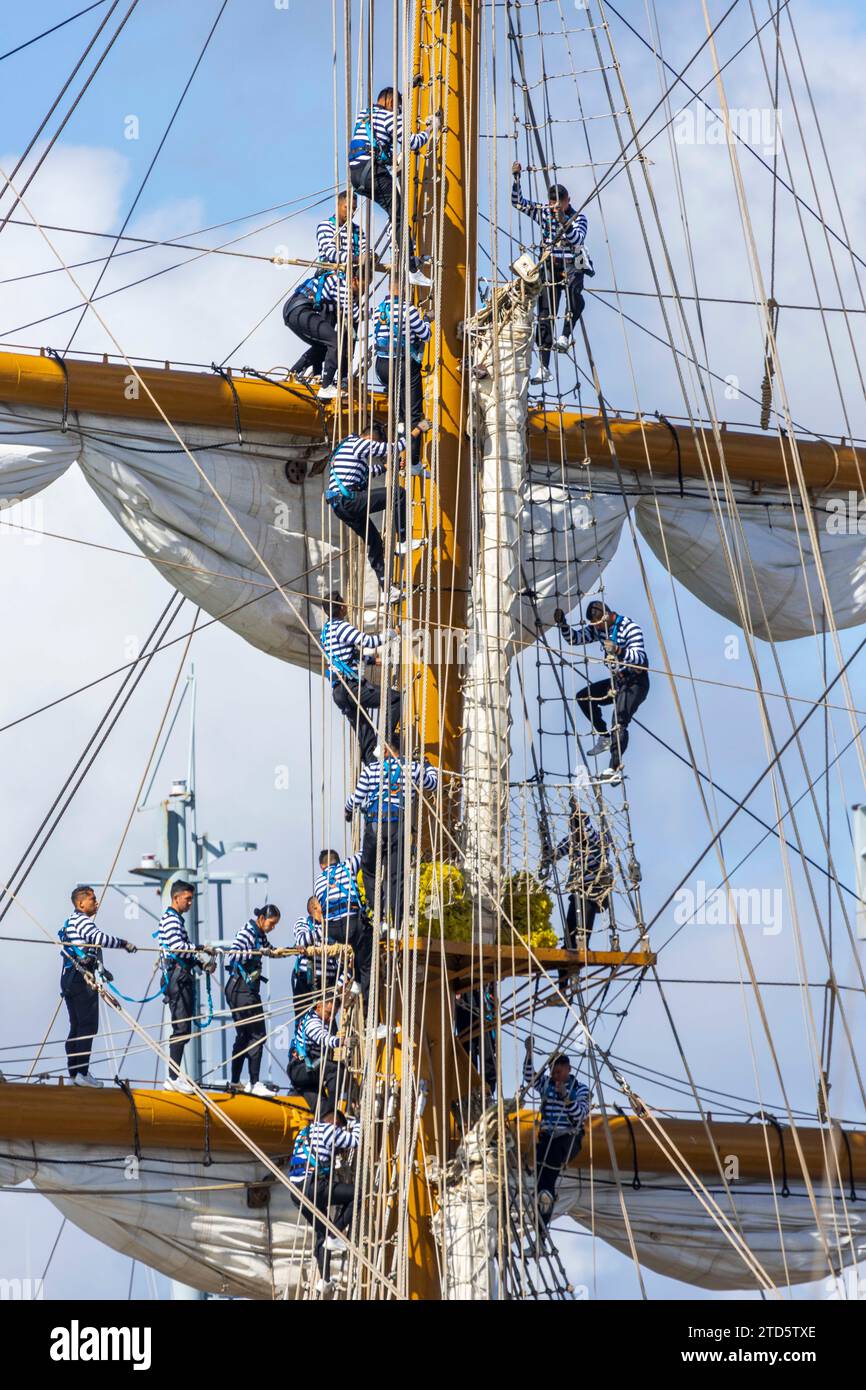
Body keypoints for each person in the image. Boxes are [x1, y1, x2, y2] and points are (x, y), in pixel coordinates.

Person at [325, 421, 429, 598]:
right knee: (398, 494)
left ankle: (387, 590)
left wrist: (387, 467)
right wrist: (418, 430)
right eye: (377, 442)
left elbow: (366, 473)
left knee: (374, 542)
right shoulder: (359, 443)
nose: (376, 447)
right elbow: (393, 448)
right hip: (350, 500)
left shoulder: (345, 448)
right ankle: (403, 540)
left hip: (341, 506)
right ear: (372, 438)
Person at [511, 161, 594, 385]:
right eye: (553, 202)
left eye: (561, 202)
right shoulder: (544, 212)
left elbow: (577, 239)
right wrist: (517, 179)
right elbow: (518, 204)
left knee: (575, 297)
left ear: (568, 201)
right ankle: (544, 367)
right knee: (545, 314)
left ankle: (566, 335)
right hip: (549, 265)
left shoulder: (578, 218)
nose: (556, 206)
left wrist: (562, 221)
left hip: (571, 265)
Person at [553, 599, 649, 785]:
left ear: (608, 616)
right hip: (618, 681)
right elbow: (575, 639)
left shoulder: (630, 627)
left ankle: (614, 769)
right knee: (583, 697)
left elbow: (639, 657)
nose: (597, 630)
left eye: (598, 625)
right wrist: (563, 624)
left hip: (636, 681)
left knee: (619, 721)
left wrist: (619, 650)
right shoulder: (598, 629)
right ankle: (604, 737)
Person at [346, 742, 439, 930]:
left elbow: (356, 798)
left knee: (369, 869)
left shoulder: (371, 769)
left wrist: (348, 811)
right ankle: (397, 924)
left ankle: (378, 916)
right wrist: (428, 766)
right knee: (397, 875)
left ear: (388, 750)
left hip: (375, 825)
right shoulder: (413, 768)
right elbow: (433, 783)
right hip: (399, 827)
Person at [348, 85, 435, 286]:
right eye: (397, 106)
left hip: (357, 174)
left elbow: (375, 143)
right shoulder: (389, 117)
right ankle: (411, 268)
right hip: (372, 171)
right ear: (389, 103)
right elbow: (412, 142)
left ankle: (394, 236)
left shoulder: (364, 115)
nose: (398, 111)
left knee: (393, 210)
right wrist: (430, 129)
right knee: (401, 213)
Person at [58, 885, 137, 1087]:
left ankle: (75, 1073)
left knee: (76, 1026)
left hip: (70, 977)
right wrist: (124, 943)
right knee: (87, 1026)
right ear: (81, 903)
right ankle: (81, 1073)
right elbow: (100, 939)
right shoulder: (82, 921)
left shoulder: (71, 921)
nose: (96, 902)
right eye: (93, 899)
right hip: (80, 979)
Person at [319, 591, 401, 765]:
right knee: (394, 700)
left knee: (365, 734)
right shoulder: (341, 627)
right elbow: (369, 642)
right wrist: (392, 634)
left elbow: (348, 657)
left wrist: (373, 661)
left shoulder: (326, 633)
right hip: (351, 688)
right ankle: (386, 744)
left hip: (339, 692)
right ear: (341, 607)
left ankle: (374, 769)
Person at [289, 1108, 359, 1293]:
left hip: (296, 1193)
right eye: (341, 1130)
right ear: (335, 1124)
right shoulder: (330, 1130)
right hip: (313, 1186)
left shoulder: (304, 1133)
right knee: (359, 1195)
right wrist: (357, 1123)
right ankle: (335, 1234)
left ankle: (325, 1280)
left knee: (322, 1233)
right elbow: (355, 1141)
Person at [523, 1043, 591, 1223]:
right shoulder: (547, 1083)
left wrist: (566, 1098)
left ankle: (545, 1204)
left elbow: (580, 1116)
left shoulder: (581, 1089)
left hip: (566, 1140)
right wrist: (529, 1054)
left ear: (569, 1069)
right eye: (553, 1073)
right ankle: (541, 1229)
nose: (556, 1077)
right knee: (541, 1185)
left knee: (548, 1177)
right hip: (546, 1138)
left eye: (559, 1073)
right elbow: (529, 1077)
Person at [156, 879, 212, 1092]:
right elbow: (178, 948)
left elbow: (181, 951)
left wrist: (200, 962)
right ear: (176, 897)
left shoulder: (176, 920)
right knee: (180, 1029)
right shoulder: (171, 920)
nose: (190, 903)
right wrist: (200, 949)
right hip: (177, 979)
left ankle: (174, 1075)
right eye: (187, 899)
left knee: (184, 1029)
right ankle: (172, 1077)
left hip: (181, 977)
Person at [373, 277, 432, 462]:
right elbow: (426, 335)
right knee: (413, 414)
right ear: (406, 290)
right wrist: (427, 321)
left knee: (399, 414)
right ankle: (413, 461)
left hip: (382, 366)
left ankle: (400, 455)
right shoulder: (409, 309)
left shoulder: (378, 310)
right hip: (403, 365)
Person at [541, 796, 611, 951]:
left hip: (596, 887)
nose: (576, 834)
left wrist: (579, 815)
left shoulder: (600, 838)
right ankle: (570, 944)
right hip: (580, 888)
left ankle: (581, 944)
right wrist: (547, 847)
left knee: (586, 910)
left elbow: (590, 836)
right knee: (574, 912)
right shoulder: (572, 840)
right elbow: (557, 854)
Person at [225, 904, 281, 1096]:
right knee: (257, 1034)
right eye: (272, 923)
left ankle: (235, 1081)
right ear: (262, 918)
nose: (272, 928)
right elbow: (233, 954)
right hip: (242, 990)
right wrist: (256, 953)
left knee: (243, 1036)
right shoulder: (247, 932)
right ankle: (254, 1082)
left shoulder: (259, 935)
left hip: (243, 989)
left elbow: (270, 950)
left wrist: (287, 951)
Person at [284, 268, 363, 399]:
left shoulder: (334, 282)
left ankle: (293, 372)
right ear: (354, 280)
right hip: (299, 310)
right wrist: (376, 314)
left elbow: (335, 307)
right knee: (335, 342)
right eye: (363, 285)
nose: (362, 291)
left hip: (293, 310)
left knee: (324, 344)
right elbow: (355, 315)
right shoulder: (342, 285)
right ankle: (326, 387)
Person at [313, 848, 373, 1004]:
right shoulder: (347, 865)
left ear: (322, 866)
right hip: (352, 923)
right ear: (338, 860)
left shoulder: (318, 881)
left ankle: (354, 982)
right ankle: (365, 1000)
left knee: (352, 953)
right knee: (367, 961)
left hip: (332, 931)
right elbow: (365, 851)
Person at [287, 997, 344, 1111]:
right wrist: (341, 1041)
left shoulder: (321, 1021)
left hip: (308, 1076)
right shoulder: (312, 1022)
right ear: (318, 1007)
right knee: (337, 1069)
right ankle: (333, 1112)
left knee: (322, 1109)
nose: (331, 1018)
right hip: (302, 1068)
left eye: (334, 1014)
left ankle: (327, 1115)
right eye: (329, 1013)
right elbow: (322, 1037)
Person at [292, 894, 345, 1015]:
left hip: (329, 986)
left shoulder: (335, 928)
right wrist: (325, 928)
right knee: (305, 1020)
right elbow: (301, 941)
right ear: (315, 908)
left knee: (328, 1024)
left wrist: (338, 986)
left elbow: (344, 963)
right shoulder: (303, 923)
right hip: (307, 983)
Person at [455, 985, 497, 1096]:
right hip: (464, 1007)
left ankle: (486, 1091)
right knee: (469, 1055)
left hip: (483, 1011)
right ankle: (470, 1090)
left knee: (487, 1054)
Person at [315, 190, 366, 272]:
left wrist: (370, 256)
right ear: (338, 205)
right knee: (341, 284)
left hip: (352, 276)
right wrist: (357, 259)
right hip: (332, 274)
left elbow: (364, 249)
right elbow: (331, 253)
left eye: (354, 209)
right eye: (347, 207)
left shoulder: (357, 230)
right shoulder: (326, 226)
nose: (351, 212)